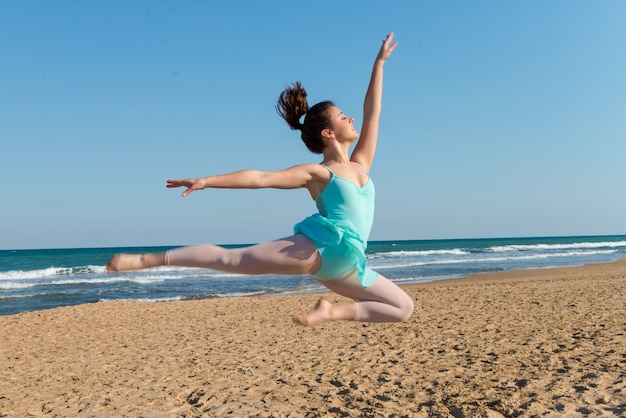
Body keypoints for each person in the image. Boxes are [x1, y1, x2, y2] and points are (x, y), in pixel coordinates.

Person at [106, 32, 414, 326]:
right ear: (328, 133)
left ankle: (331, 313)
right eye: (342, 116)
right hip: (320, 250)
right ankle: (146, 260)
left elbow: (374, 111)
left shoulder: (361, 164)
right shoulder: (319, 173)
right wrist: (207, 180)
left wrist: (380, 63)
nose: (351, 118)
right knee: (232, 260)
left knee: (402, 307)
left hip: (350, 263)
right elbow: (260, 178)